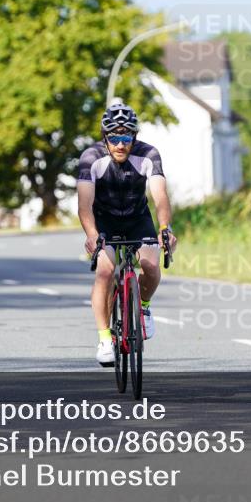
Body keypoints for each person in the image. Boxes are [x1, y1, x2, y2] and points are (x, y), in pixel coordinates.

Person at [77, 103, 178, 366]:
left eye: (127, 137)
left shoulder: (149, 154)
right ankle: (104, 338)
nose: (121, 145)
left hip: (137, 218)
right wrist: (91, 234)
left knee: (151, 266)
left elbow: (160, 196)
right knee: (105, 271)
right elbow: (84, 204)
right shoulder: (91, 157)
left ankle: (142, 307)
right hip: (104, 222)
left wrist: (165, 228)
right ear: (104, 137)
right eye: (114, 138)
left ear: (134, 136)